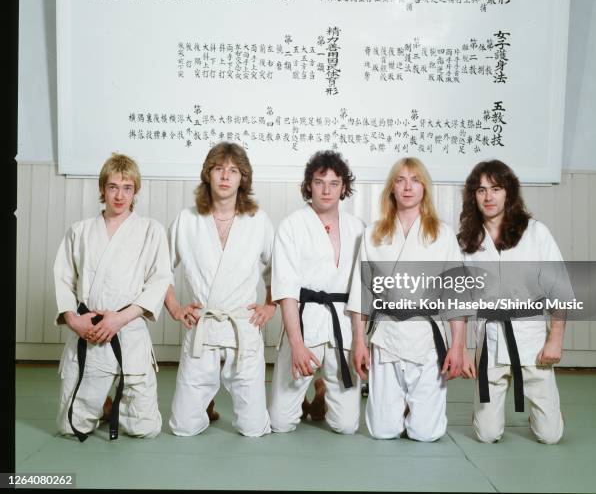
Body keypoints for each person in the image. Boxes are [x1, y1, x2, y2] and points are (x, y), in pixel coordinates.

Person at [347, 157, 467, 442]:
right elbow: (361, 293)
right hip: (386, 335)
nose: (408, 187)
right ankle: (396, 405)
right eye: (400, 180)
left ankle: (414, 405)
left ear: (424, 188)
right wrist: (359, 343)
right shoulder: (373, 234)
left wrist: (458, 346)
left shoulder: (442, 234)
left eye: (415, 180)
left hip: (426, 337)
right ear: (392, 189)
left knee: (427, 434)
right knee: (382, 432)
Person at [54, 153, 172, 441]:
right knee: (72, 427)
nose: (120, 195)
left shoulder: (151, 230)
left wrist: (119, 318)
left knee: (145, 429)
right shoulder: (79, 231)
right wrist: (73, 320)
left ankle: (114, 404)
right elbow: (63, 279)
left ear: (136, 192)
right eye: (113, 187)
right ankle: (102, 404)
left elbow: (159, 281)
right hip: (90, 330)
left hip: (128, 329)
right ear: (102, 189)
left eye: (127, 188)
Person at [165, 142, 276, 437]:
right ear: (208, 175)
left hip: (243, 327)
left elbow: (277, 269)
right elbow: (159, 268)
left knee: (254, 429)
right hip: (204, 327)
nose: (225, 176)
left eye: (233, 170)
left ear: (243, 178)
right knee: (183, 427)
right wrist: (175, 307)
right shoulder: (187, 220)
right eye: (218, 169)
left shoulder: (259, 221)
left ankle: (215, 400)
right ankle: (205, 403)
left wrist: (271, 305)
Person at [458, 159, 566, 444]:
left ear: (509, 193)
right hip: (490, 342)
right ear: (473, 196)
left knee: (550, 436)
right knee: (487, 435)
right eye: (481, 190)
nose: (488, 196)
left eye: (496, 188)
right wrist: (462, 348)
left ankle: (547, 413)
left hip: (532, 343)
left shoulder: (535, 233)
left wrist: (555, 339)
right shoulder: (467, 242)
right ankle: (484, 415)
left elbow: (560, 289)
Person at [269, 150, 365, 434]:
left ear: (344, 187)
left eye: (334, 183)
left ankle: (321, 390)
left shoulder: (358, 228)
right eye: (319, 181)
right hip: (305, 323)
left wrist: (361, 340)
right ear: (308, 185)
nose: (326, 189)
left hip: (343, 325)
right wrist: (297, 344)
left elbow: (361, 292)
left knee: (346, 426)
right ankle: (304, 391)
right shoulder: (292, 226)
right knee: (280, 423)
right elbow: (286, 291)